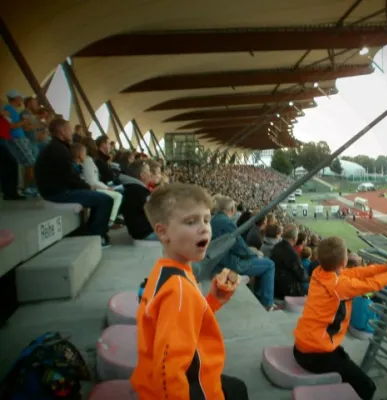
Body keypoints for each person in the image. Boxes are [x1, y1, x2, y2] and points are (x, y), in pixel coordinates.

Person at [131, 183, 249, 400]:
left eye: (206, 219)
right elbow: (168, 370)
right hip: (186, 387)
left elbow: (184, 321)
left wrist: (213, 301)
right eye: (191, 221)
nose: (204, 228)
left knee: (238, 387)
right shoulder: (178, 290)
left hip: (160, 382)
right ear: (163, 232)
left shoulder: (167, 270)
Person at [292, 237, 387, 400]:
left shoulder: (320, 272)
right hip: (314, 354)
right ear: (344, 261)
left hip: (302, 346)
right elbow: (372, 284)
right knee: (367, 387)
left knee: (345, 363)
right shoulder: (339, 286)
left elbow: (355, 273)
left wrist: (385, 267)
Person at [34, 118, 113, 247]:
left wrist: (86, 187)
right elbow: (70, 177)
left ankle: (92, 231)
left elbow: (69, 176)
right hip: (58, 193)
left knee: (101, 198)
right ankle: (95, 236)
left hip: (56, 190)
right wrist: (87, 187)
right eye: (69, 129)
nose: (71, 132)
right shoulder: (58, 150)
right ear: (61, 131)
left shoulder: (56, 147)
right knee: (105, 200)